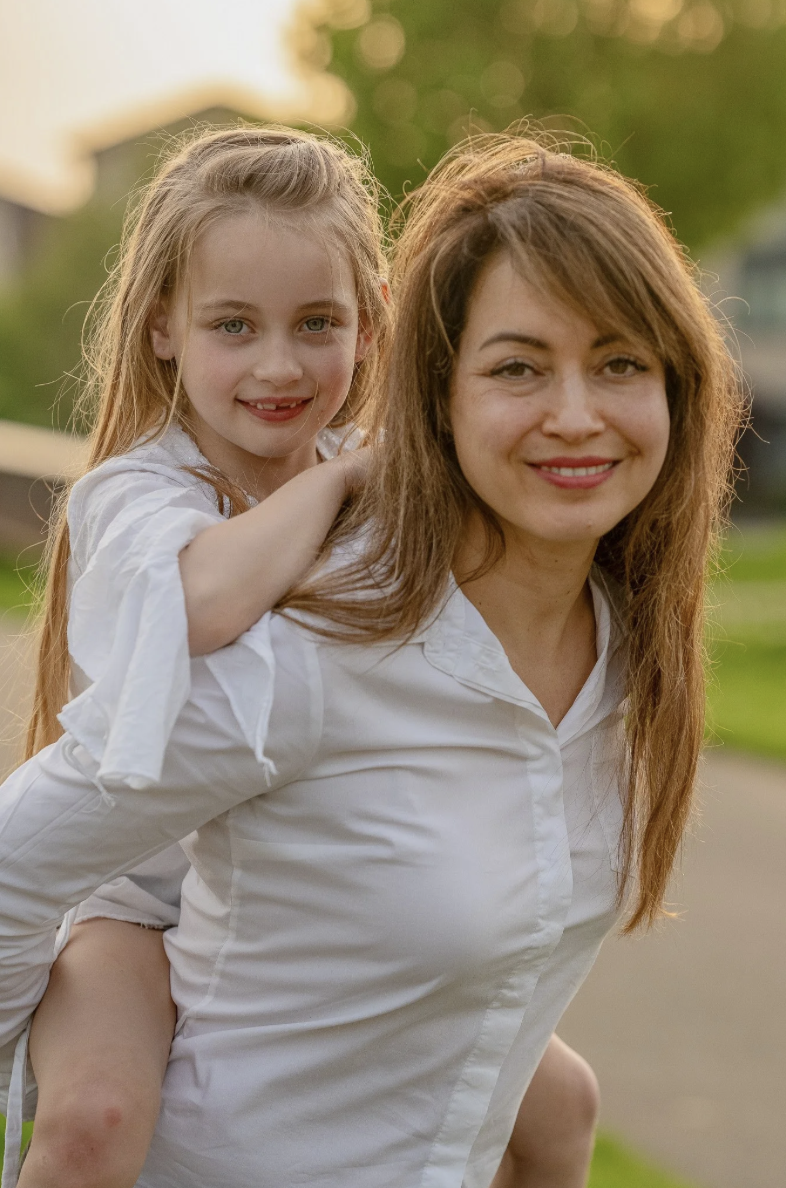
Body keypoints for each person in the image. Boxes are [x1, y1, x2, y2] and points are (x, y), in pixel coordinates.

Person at [0, 131, 741, 1188]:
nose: (278, 365)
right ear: (163, 326)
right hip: (134, 888)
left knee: (562, 1100)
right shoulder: (152, 502)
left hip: (254, 894)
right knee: (96, 1117)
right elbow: (201, 609)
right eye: (233, 326)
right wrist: (344, 486)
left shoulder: (592, 633)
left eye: (318, 326)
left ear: (374, 325)